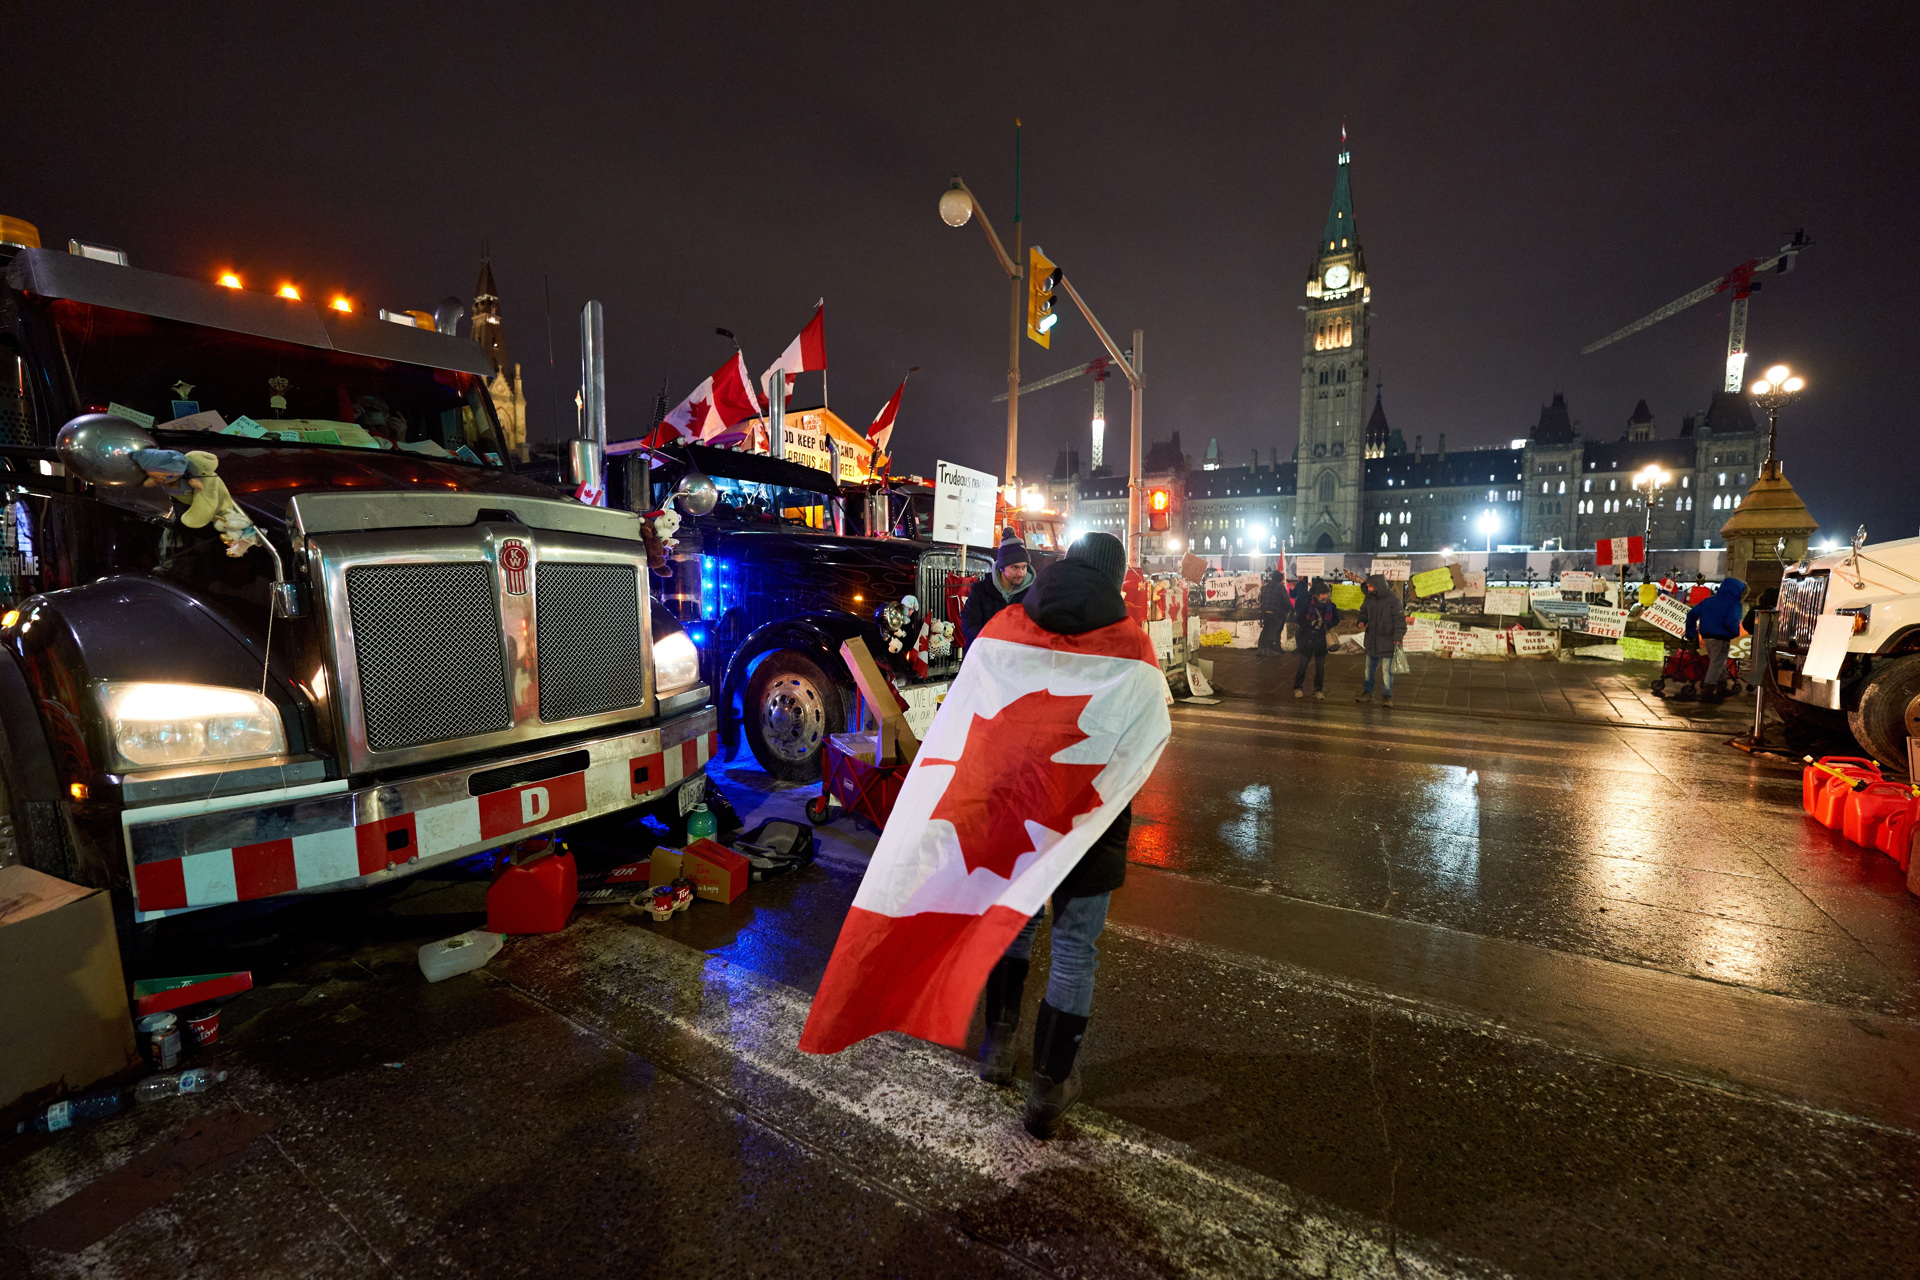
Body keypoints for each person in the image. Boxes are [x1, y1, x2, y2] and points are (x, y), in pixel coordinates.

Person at [977, 532, 1142, 1138]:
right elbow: (1145, 738)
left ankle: (997, 1047)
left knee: (1015, 922)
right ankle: (1048, 1087)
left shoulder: (1016, 622)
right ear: (1116, 578)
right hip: (1093, 818)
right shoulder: (1132, 645)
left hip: (1023, 807)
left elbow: (983, 703)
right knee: (1074, 946)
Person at [960, 531, 1033, 648]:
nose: (1021, 573)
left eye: (1024, 567)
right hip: (983, 655)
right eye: (1015, 567)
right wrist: (992, 641)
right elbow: (969, 625)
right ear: (1001, 568)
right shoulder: (980, 590)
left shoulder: (1031, 594)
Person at [1685, 576, 1746, 701]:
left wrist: (1690, 632)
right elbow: (1731, 622)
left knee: (1719, 662)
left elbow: (1691, 614)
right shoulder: (1734, 603)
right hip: (1721, 637)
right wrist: (1734, 633)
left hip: (1706, 636)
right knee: (1716, 663)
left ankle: (1722, 688)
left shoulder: (1708, 600)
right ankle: (1708, 691)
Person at [1356, 573, 1407, 705]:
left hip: (1387, 641)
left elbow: (1399, 620)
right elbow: (1363, 613)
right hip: (1372, 641)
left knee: (1386, 672)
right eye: (1367, 586)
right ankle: (1367, 693)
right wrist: (1361, 621)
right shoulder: (1369, 598)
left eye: (1370, 586)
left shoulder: (1392, 600)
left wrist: (1397, 636)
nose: (1368, 589)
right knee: (1369, 670)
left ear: (1377, 586)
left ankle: (1387, 696)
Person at [1291, 579, 1336, 698]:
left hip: (1321, 640)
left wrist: (1327, 623)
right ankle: (1297, 688)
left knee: (1320, 668)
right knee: (1303, 666)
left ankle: (1318, 689)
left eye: (1326, 594)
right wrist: (1310, 623)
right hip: (1307, 639)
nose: (1324, 596)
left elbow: (1336, 619)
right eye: (1322, 594)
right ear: (1316, 595)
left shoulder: (1331, 606)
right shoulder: (1306, 605)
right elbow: (1299, 619)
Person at [1257, 570, 1289, 654]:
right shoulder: (1280, 588)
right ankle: (1272, 649)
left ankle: (1261, 649)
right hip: (1277, 612)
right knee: (1274, 631)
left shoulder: (1265, 587)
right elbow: (1286, 601)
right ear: (1280, 579)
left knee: (1266, 629)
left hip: (1265, 612)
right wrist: (1291, 609)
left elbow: (1261, 599)